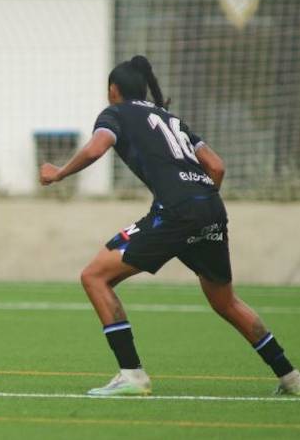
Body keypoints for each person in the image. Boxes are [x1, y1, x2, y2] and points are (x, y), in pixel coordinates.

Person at [39, 55, 299, 396]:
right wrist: (198, 204)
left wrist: (59, 172)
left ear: (112, 90)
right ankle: (290, 377)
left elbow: (97, 147)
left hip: (176, 213)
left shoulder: (115, 113)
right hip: (211, 209)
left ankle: (132, 375)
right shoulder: (171, 118)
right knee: (226, 302)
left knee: (94, 276)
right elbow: (216, 167)